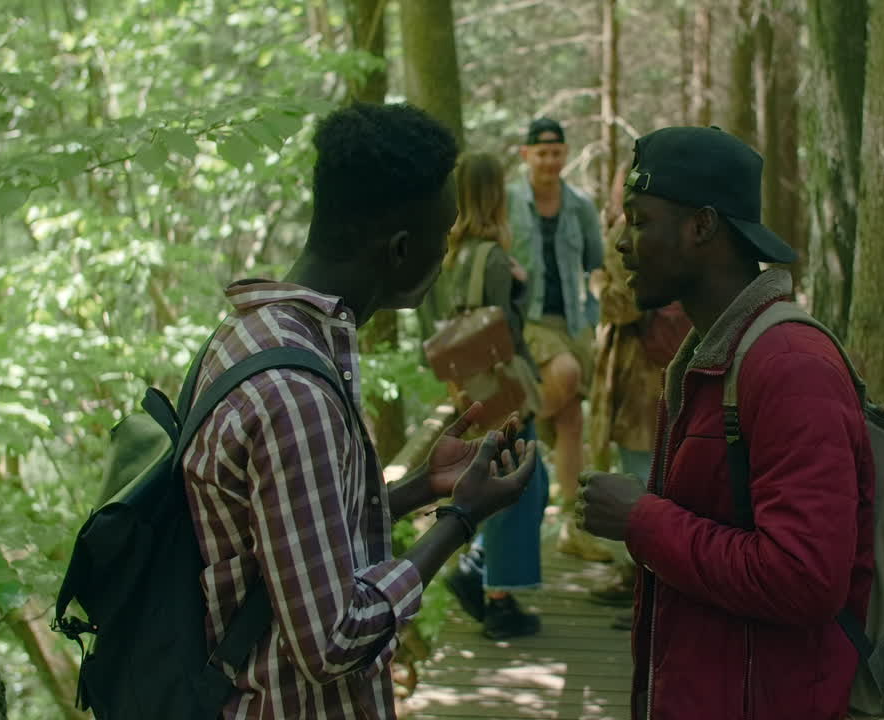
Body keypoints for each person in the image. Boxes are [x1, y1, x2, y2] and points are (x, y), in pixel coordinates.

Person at [180, 102, 538, 720]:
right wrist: (460, 519)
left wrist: (422, 485)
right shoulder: (295, 395)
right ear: (400, 250)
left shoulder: (247, 337)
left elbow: (291, 542)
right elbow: (333, 639)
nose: (446, 251)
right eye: (443, 234)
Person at [576, 126, 876, 720]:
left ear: (702, 226)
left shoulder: (790, 367)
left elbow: (805, 577)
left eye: (640, 221)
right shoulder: (713, 355)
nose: (622, 244)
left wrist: (640, 520)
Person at [437, 152, 550, 640]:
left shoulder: (454, 254)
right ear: (495, 195)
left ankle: (477, 569)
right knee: (520, 484)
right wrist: (521, 290)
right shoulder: (494, 257)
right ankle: (498, 599)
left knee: (525, 478)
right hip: (502, 384)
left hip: (471, 381)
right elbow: (508, 331)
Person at [585, 162, 691, 624]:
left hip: (641, 372)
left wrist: (598, 285)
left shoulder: (627, 233)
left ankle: (649, 586)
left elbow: (625, 305)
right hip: (667, 363)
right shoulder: (677, 227)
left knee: (643, 474)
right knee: (657, 471)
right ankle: (643, 580)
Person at [507, 116, 611, 563]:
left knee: (572, 421)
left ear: (565, 154)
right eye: (542, 153)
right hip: (524, 320)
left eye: (556, 153)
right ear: (526, 154)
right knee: (564, 376)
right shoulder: (510, 201)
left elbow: (596, 266)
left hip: (571, 323)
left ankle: (573, 525)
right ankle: (516, 430)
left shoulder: (580, 205)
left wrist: (597, 319)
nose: (550, 161)